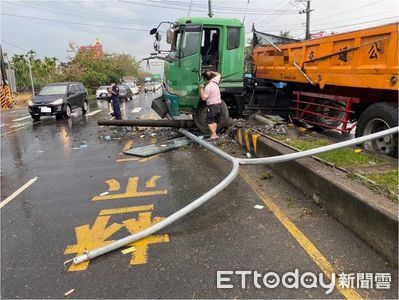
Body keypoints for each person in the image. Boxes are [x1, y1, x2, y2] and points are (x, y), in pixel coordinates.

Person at [199, 70, 222, 140]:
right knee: (214, 120)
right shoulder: (215, 81)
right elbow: (219, 74)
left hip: (212, 106)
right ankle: (213, 134)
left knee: (209, 121)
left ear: (205, 79)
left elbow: (203, 98)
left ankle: (214, 134)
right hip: (219, 105)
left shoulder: (208, 87)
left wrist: (201, 89)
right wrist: (211, 71)